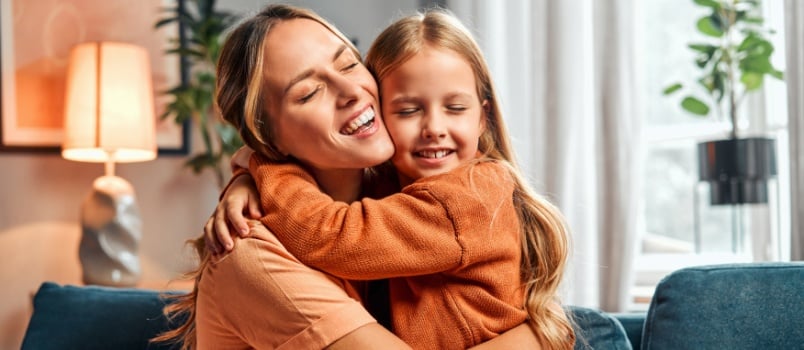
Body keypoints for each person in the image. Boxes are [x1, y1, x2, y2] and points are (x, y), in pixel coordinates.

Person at [153, 4, 545, 349]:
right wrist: (255, 169)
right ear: (267, 137)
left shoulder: (401, 197)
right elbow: (333, 233)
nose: (351, 91)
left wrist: (253, 170)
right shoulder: (248, 251)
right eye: (309, 93)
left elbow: (541, 320)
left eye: (347, 63)